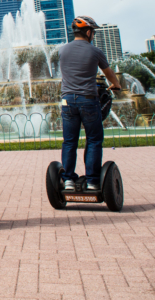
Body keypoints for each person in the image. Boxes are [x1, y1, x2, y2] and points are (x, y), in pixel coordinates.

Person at [58, 16, 121, 191]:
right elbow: (108, 73)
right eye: (93, 32)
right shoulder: (95, 51)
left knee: (69, 141)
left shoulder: (63, 50)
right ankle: (93, 181)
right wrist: (116, 85)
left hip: (68, 100)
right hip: (88, 99)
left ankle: (68, 180)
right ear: (88, 32)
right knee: (93, 139)